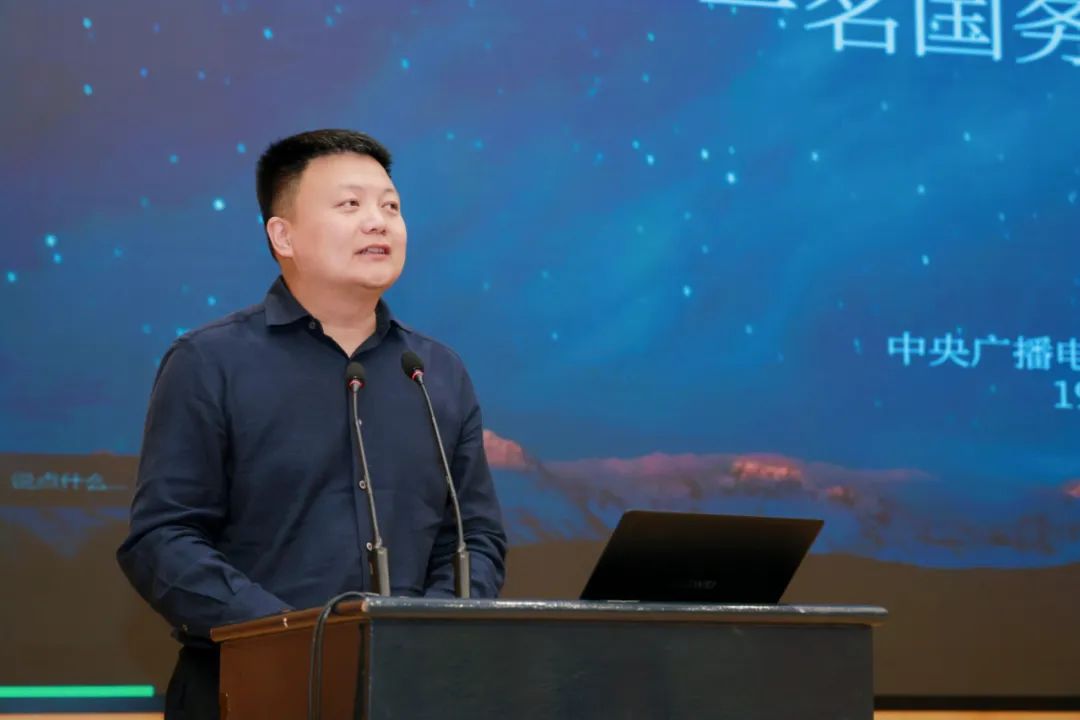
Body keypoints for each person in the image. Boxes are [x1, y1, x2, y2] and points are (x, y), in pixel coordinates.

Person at [117, 129, 507, 719]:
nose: (378, 222)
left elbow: (474, 538)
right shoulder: (209, 362)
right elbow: (162, 540)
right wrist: (290, 637)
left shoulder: (435, 373)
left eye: (391, 206)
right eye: (350, 204)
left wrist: (428, 633)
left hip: (408, 694)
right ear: (284, 235)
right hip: (248, 690)